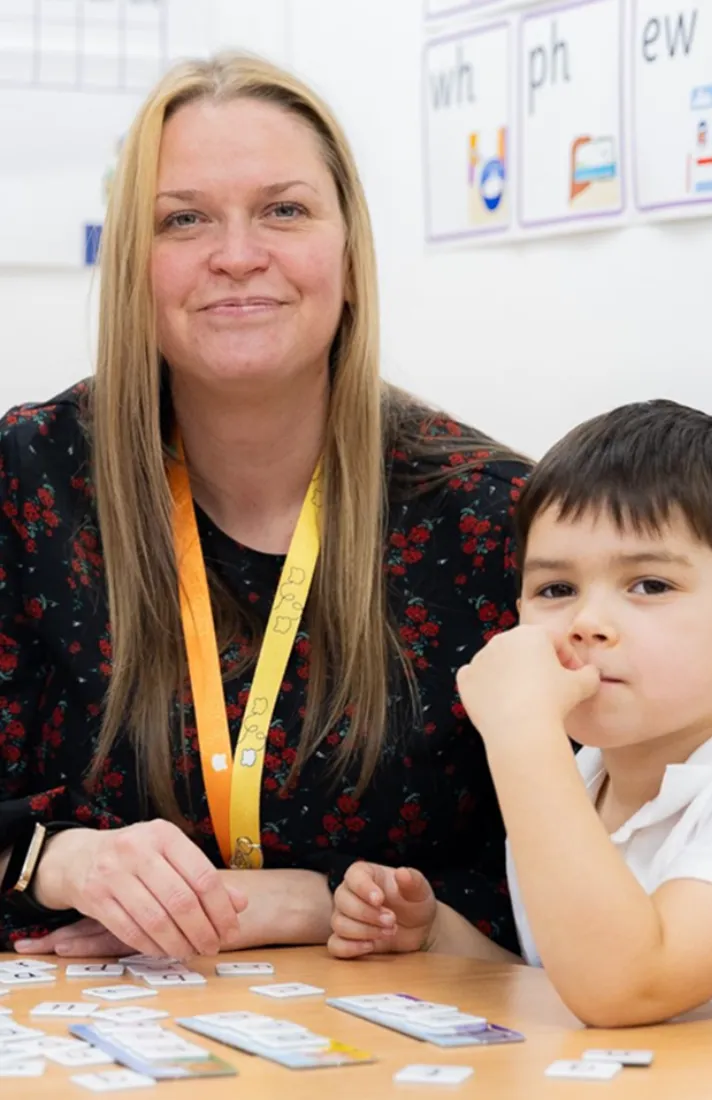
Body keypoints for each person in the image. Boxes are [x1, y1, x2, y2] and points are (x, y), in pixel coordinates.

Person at [0, 52, 530, 959]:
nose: (238, 255)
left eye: (284, 210)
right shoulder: (28, 483)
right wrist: (56, 860)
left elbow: (583, 881)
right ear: (133, 268)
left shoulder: (496, 519)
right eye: (183, 220)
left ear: (351, 259)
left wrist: (313, 903)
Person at [328, 401, 712, 1025]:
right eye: (556, 590)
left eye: (650, 585)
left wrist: (523, 734)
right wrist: (437, 935)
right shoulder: (576, 780)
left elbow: (628, 986)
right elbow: (564, 982)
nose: (588, 624)